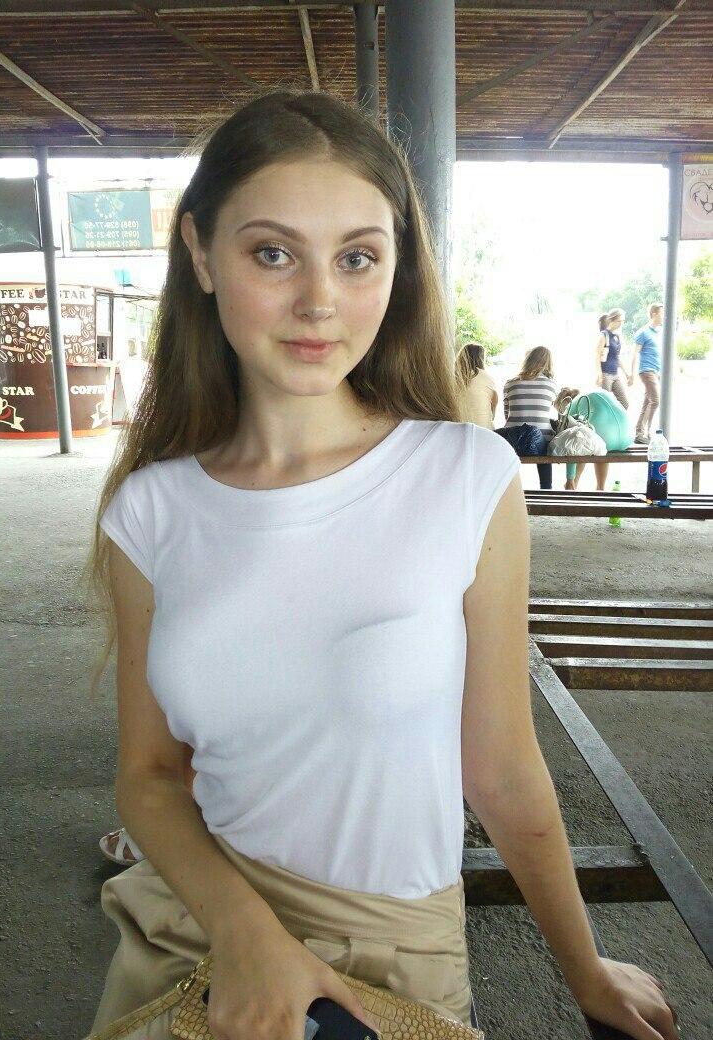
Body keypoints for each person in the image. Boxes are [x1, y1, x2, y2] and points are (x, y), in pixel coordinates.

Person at [84, 89, 679, 1040]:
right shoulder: (149, 513)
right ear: (199, 252)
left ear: (397, 269)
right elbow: (150, 776)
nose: (319, 301)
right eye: (272, 253)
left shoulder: (465, 477)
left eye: (357, 257)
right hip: (201, 933)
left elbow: (502, 768)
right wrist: (246, 933)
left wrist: (585, 968)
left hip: (395, 952)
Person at [502, 346, 558, 490]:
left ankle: (510, 489)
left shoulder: (510, 384)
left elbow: (506, 415)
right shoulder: (551, 385)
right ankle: (546, 488)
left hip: (512, 443)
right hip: (540, 445)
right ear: (548, 363)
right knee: (545, 441)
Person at [631, 303, 663, 445]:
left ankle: (641, 433)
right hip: (646, 371)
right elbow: (634, 354)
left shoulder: (657, 333)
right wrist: (631, 374)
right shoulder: (643, 332)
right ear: (654, 314)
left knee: (647, 402)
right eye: (662, 313)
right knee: (655, 401)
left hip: (655, 372)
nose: (664, 316)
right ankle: (645, 432)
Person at [455, 342, 498, 429]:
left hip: (457, 429)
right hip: (485, 430)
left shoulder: (453, 376)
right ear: (481, 359)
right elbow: (494, 404)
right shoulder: (487, 377)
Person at [596, 309, 630, 409]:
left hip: (615, 375)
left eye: (622, 321)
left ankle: (615, 418)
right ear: (612, 320)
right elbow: (597, 355)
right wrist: (599, 374)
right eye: (619, 321)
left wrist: (626, 374)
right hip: (605, 375)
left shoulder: (617, 337)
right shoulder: (604, 335)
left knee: (625, 404)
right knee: (604, 405)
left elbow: (617, 357)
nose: (621, 323)